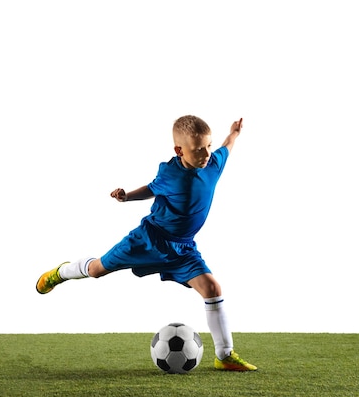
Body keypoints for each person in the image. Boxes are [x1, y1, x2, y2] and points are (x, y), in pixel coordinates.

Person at [36, 115, 257, 371]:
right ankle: (60, 273)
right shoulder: (170, 172)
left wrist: (235, 133)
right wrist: (127, 196)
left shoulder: (213, 164)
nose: (206, 153)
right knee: (96, 270)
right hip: (148, 240)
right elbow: (152, 188)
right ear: (179, 150)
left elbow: (226, 147)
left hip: (183, 247)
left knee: (212, 289)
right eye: (198, 149)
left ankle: (224, 355)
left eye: (208, 146)